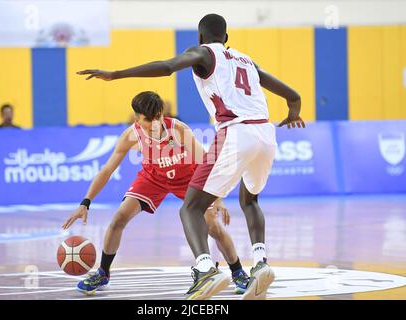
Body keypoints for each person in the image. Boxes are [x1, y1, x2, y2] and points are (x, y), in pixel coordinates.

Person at [76, 13, 305, 300]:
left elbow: (167, 67)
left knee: (191, 210)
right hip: (266, 133)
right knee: (250, 200)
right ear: (227, 38)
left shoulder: (202, 54)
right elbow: (293, 96)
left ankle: (208, 268)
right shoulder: (247, 61)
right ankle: (261, 262)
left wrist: (116, 74)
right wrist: (293, 115)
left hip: (235, 132)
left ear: (199, 38)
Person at [62, 91, 249, 295]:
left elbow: (206, 163)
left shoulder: (178, 130)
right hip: (154, 178)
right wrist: (85, 202)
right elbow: (107, 169)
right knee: (119, 218)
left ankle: (238, 272)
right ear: (137, 118)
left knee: (213, 225)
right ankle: (103, 272)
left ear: (162, 113)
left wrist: (218, 198)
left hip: (189, 178)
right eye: (147, 120)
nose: (153, 124)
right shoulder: (131, 135)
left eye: (156, 118)